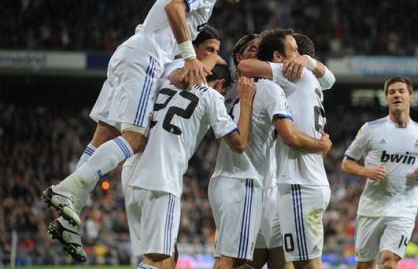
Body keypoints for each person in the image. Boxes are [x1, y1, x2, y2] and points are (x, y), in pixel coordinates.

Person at [43, 24, 227, 262]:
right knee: (134, 139)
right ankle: (66, 190)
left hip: (127, 63)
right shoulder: (174, 63)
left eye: (215, 50)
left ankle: (69, 214)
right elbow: (182, 72)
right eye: (209, 49)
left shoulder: (169, 56)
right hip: (140, 68)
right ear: (192, 47)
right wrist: (210, 61)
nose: (213, 55)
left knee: (101, 137)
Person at [209, 33, 332, 269]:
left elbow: (329, 79)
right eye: (252, 49)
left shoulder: (279, 84)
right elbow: (289, 136)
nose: (257, 55)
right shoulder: (232, 92)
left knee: (288, 262)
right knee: (234, 261)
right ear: (238, 57)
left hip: (277, 191)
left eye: (260, 50)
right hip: (246, 186)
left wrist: (307, 61)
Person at [120, 63, 255, 269]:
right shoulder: (212, 96)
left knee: (169, 255)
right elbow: (239, 143)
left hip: (133, 174)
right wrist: (245, 102)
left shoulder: (166, 84)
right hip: (162, 180)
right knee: (157, 259)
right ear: (220, 83)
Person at [247, 31, 334, 269]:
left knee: (306, 264)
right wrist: (311, 62)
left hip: (299, 182)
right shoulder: (313, 79)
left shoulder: (290, 73)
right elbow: (331, 79)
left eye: (297, 51)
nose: (298, 56)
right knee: (300, 261)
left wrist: (301, 60)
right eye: (295, 51)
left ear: (277, 57)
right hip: (310, 180)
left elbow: (245, 66)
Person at [341, 77, 418, 269]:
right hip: (371, 208)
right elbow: (347, 164)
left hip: (403, 208)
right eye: (391, 92)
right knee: (364, 266)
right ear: (386, 98)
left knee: (388, 260)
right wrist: (366, 171)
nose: (396, 95)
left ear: (410, 96)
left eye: (401, 91)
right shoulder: (371, 129)